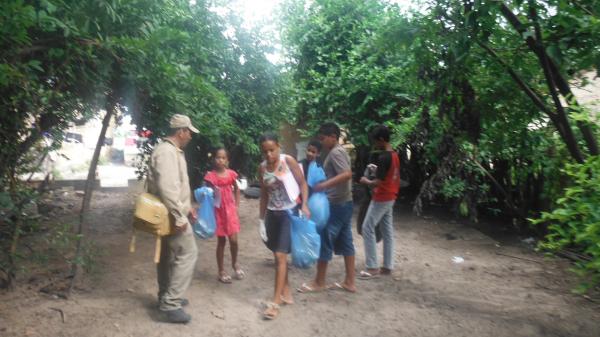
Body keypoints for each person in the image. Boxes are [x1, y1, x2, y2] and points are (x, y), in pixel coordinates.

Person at [146, 114, 199, 324]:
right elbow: (168, 188)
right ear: (181, 132)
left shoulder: (170, 151)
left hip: (171, 213)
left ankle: (165, 296)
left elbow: (177, 187)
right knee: (188, 253)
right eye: (189, 133)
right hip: (170, 215)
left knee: (167, 256)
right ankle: (170, 304)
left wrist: (187, 208)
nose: (190, 137)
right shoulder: (167, 152)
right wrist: (179, 217)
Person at [298, 122, 357, 293]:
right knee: (346, 242)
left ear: (333, 137)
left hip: (337, 205)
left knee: (325, 240)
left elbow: (346, 174)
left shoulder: (336, 152)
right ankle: (350, 282)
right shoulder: (340, 151)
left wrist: (323, 186)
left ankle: (319, 282)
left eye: (323, 139)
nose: (322, 142)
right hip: (346, 203)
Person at [258, 132, 310, 320]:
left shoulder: (288, 161)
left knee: (281, 256)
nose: (269, 155)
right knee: (277, 255)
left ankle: (275, 302)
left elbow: (303, 184)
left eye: (272, 150)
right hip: (273, 215)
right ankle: (286, 292)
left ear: (279, 146)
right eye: (265, 152)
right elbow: (264, 195)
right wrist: (261, 220)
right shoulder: (263, 168)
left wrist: (304, 204)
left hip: (289, 213)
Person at [358, 125, 400, 279]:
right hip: (391, 195)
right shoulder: (394, 154)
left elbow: (377, 182)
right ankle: (387, 266)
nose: (374, 144)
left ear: (381, 140)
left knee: (367, 227)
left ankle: (372, 266)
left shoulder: (383, 157)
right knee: (387, 231)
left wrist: (365, 180)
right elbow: (389, 175)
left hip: (381, 197)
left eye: (375, 141)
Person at [203, 148, 244, 284]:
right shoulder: (211, 176)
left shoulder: (231, 174)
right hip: (218, 211)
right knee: (221, 242)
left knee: (234, 240)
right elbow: (207, 194)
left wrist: (236, 206)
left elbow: (237, 190)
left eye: (223, 158)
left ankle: (235, 263)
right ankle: (221, 270)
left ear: (227, 160)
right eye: (218, 157)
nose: (220, 160)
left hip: (230, 210)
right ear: (214, 159)